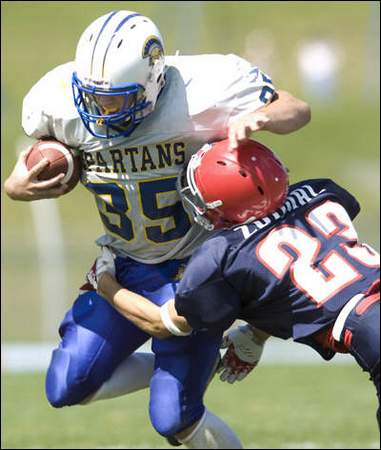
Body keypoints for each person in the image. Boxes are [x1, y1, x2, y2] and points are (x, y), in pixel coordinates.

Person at [4, 9, 311, 448]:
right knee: (66, 386)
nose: (100, 112)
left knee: (173, 420)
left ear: (151, 83)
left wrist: (262, 118)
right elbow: (41, 153)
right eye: (91, 97)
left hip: (196, 265)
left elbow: (296, 108)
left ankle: (183, 372)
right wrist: (15, 184)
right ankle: (177, 368)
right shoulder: (57, 99)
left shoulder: (205, 89)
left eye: (114, 101)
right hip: (126, 259)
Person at [96, 138, 380, 432]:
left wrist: (103, 281)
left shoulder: (223, 253)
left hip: (369, 328)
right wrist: (257, 335)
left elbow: (161, 324)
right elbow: (299, 276)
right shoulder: (320, 192)